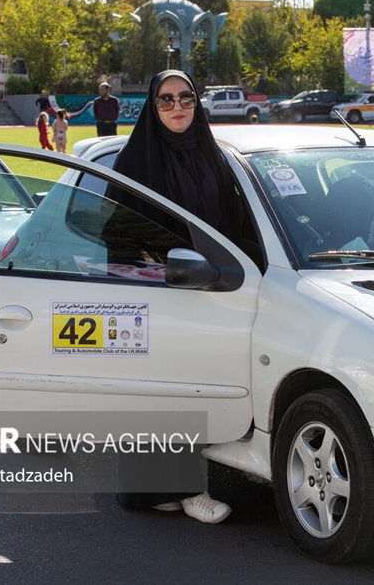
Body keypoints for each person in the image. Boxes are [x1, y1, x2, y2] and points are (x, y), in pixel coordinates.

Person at [109, 69, 242, 524]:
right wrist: (159, 273)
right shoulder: (135, 162)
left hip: (214, 289)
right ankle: (190, 492)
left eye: (185, 97)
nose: (177, 107)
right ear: (152, 106)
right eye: (165, 100)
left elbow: (235, 220)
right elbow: (118, 231)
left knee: (191, 389)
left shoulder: (213, 155)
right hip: (160, 292)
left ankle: (156, 492)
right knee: (168, 393)